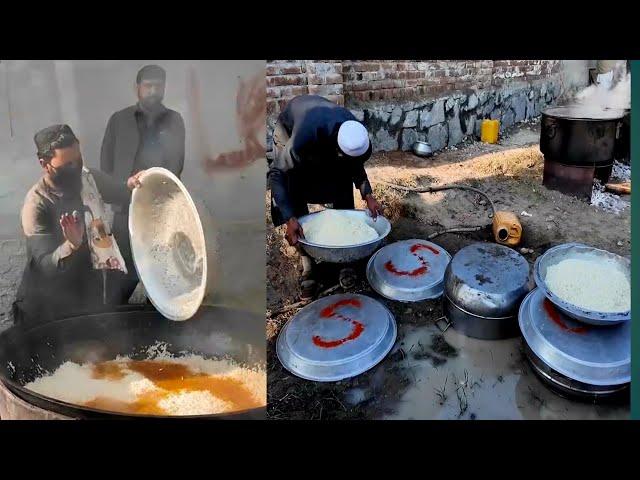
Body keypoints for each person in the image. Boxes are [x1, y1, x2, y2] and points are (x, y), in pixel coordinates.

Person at [12, 125, 143, 328]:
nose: (75, 169)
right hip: (46, 307)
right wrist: (71, 245)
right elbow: (45, 264)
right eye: (67, 165)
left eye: (78, 160)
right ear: (44, 164)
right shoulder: (36, 204)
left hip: (84, 295)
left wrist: (132, 184)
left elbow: (119, 191)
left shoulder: (89, 179)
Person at [267, 94, 383, 299]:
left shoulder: (354, 132)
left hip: (326, 135)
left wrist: (368, 194)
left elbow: (354, 165)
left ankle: (344, 261)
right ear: (338, 149)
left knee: (342, 183)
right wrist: (288, 218)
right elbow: (278, 174)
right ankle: (308, 266)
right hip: (290, 132)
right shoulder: (302, 139)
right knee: (295, 184)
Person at [99, 64, 185, 303]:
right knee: (116, 287)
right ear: (137, 88)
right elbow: (106, 165)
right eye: (148, 85)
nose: (153, 91)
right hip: (123, 215)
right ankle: (114, 333)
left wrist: (152, 185)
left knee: (161, 286)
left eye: (159, 85)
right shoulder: (118, 120)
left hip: (159, 215)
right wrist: (120, 188)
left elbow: (176, 165)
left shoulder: (174, 121)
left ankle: (160, 334)